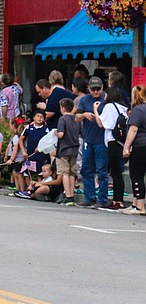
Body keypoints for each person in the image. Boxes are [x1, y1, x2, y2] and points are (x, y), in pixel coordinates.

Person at [76, 76, 109, 208]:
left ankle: (102, 198)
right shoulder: (84, 100)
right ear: (89, 89)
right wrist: (84, 115)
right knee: (86, 168)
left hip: (102, 139)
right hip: (88, 138)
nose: (95, 92)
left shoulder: (107, 99)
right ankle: (89, 196)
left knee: (101, 170)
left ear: (102, 88)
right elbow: (77, 116)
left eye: (98, 89)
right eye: (93, 89)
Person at [98, 85, 129, 210]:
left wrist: (95, 110)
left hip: (113, 141)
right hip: (121, 142)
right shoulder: (123, 108)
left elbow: (103, 124)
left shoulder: (109, 107)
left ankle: (118, 201)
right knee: (117, 172)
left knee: (115, 172)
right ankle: (118, 199)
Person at [123, 85, 146, 215]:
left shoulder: (137, 110)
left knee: (136, 175)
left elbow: (133, 129)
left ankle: (140, 206)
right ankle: (134, 203)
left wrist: (126, 146)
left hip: (140, 145)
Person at [54, 97, 80, 205]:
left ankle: (68, 195)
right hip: (74, 148)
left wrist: (55, 132)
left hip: (64, 149)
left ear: (63, 108)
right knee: (72, 173)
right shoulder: (76, 119)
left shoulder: (62, 119)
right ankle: (72, 196)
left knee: (64, 172)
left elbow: (61, 134)